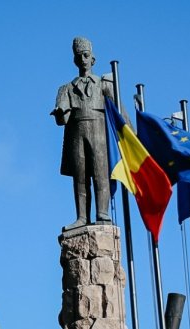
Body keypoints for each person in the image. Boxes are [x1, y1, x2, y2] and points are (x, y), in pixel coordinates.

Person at [52, 37, 115, 230]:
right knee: (80, 176)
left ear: (93, 59)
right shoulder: (67, 88)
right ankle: (81, 216)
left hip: (98, 131)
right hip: (76, 132)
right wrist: (60, 113)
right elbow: (62, 121)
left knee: (100, 172)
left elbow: (119, 111)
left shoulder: (104, 84)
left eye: (86, 55)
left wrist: (133, 131)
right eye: (79, 56)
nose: (83, 59)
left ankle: (102, 213)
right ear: (75, 60)